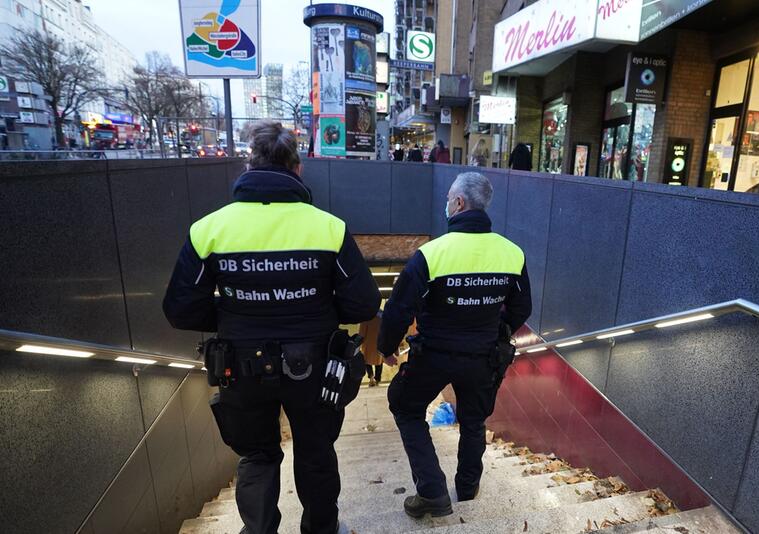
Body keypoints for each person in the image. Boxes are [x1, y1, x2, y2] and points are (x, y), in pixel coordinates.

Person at [163, 121, 381, 534]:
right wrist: (314, 309)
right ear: (296, 168)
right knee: (316, 453)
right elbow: (365, 303)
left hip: (241, 368)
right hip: (315, 369)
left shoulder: (209, 229)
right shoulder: (328, 228)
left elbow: (180, 310)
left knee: (258, 456)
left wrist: (234, 314)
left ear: (249, 163)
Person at [378, 172, 532, 518]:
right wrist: (495, 329)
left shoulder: (431, 254)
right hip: (483, 357)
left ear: (459, 203)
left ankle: (432, 490)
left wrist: (386, 348)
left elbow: (399, 308)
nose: (447, 204)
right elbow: (523, 307)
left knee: (405, 406)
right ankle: (467, 489)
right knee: (474, 421)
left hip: (433, 354)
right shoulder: (512, 253)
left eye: (449, 199)